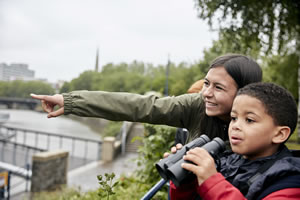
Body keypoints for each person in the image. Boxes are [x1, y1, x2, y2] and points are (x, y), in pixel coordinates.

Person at [31, 54, 262, 142]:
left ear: (244, 92)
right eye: (206, 83)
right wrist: (71, 102)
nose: (206, 93)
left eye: (218, 88)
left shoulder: (262, 129)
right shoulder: (197, 105)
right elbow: (140, 106)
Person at [170, 82, 300, 200]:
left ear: (279, 134)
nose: (235, 126)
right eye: (233, 118)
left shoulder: (289, 182)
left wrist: (212, 182)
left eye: (249, 120)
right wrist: (186, 180)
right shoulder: (226, 162)